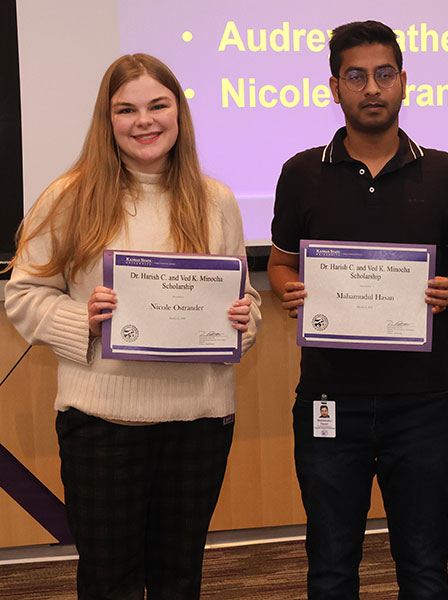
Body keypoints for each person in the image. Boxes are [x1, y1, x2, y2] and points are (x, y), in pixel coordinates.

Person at [4, 54, 262, 599]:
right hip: (102, 424)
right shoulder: (68, 196)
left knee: (179, 578)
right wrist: (85, 321)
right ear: (108, 120)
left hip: (201, 419)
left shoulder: (216, 200)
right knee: (109, 581)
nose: (144, 121)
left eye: (157, 105)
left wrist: (245, 319)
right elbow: (23, 292)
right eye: (127, 110)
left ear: (179, 113)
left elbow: (243, 297)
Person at [266, 20, 448, 599]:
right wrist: (288, 288)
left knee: (423, 566)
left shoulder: (446, 172)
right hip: (328, 402)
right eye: (356, 76)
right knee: (332, 569)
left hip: (421, 402)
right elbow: (281, 265)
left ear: (404, 82)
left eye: (384, 75)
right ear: (334, 87)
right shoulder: (300, 173)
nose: (371, 89)